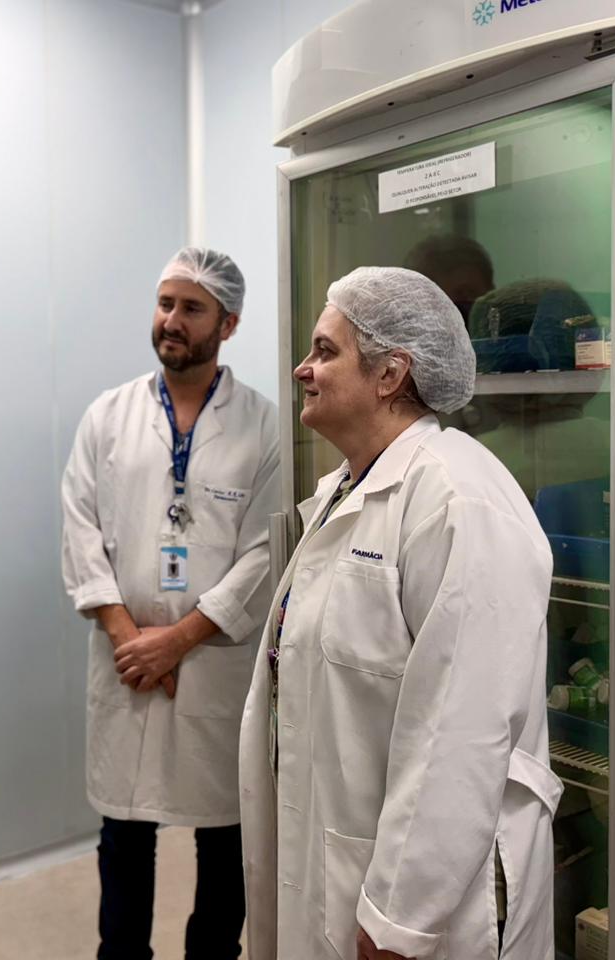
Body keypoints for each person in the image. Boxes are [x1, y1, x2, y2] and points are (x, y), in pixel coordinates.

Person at [238, 266, 561, 960]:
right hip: (338, 849)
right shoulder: (346, 489)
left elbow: (459, 730)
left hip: (429, 901)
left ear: (390, 374)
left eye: (325, 351)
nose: (302, 369)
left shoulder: (458, 500)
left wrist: (399, 918)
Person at [62, 247, 280, 960]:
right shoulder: (108, 416)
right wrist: (130, 637)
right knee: (124, 833)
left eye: (192, 308)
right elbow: (79, 528)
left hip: (212, 662)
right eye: (165, 304)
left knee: (225, 836)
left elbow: (265, 552)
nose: (172, 320)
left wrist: (178, 639)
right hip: (126, 661)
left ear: (228, 323)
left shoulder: (265, 426)